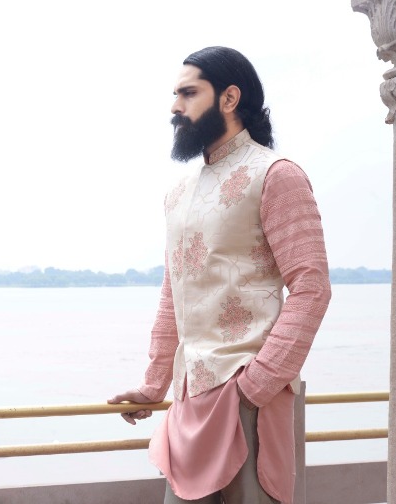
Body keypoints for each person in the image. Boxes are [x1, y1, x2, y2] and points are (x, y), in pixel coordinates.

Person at [108, 46, 332, 504]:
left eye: (189, 93)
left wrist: (256, 385)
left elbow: (312, 287)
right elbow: (174, 293)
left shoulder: (276, 175)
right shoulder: (178, 194)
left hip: (247, 395)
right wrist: (154, 384)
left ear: (229, 98)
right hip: (188, 398)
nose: (176, 107)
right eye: (176, 95)